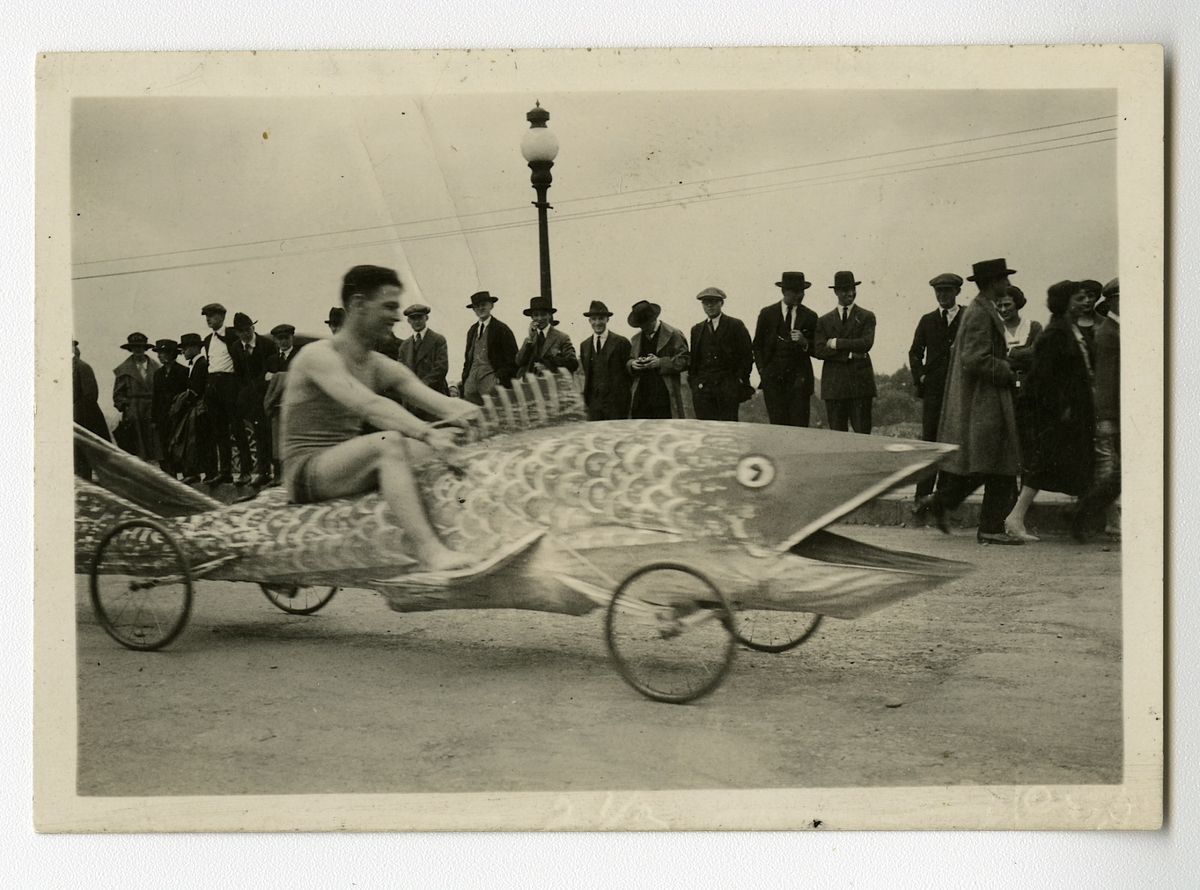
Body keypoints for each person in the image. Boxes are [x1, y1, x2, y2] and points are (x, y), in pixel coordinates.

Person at [280, 265, 481, 572]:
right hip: (306, 472)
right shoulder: (317, 356)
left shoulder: (377, 363)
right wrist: (427, 433)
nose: (396, 316)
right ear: (359, 304)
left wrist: (483, 417)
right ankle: (431, 553)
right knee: (389, 443)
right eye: (388, 307)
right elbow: (368, 405)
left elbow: (442, 403)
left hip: (343, 464)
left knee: (451, 446)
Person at [914, 258, 1023, 545]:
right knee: (998, 463)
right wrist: (1007, 369)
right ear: (993, 282)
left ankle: (940, 503)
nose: (1008, 284)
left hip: (982, 400)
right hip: (984, 401)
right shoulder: (980, 313)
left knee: (985, 463)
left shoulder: (981, 309)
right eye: (1004, 279)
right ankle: (990, 528)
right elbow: (974, 358)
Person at [1003, 280, 1098, 541]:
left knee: (1079, 463)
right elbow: (1043, 378)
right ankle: (1015, 518)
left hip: (1076, 411)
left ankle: (1083, 517)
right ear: (1066, 303)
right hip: (1061, 414)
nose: (1085, 302)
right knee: (1044, 464)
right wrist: (1062, 408)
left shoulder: (1071, 330)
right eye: (1079, 299)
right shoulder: (1055, 334)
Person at [908, 272, 965, 501]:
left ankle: (945, 494)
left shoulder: (967, 317)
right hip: (933, 390)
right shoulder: (927, 320)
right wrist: (921, 376)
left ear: (957, 291)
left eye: (947, 291)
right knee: (929, 440)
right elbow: (915, 352)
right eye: (938, 291)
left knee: (953, 439)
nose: (942, 295)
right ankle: (922, 494)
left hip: (960, 390)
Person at [1072, 277, 1121, 542]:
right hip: (1116, 413)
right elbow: (1106, 380)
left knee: (1120, 472)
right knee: (1119, 471)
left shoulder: (1115, 329)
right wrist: (1106, 418)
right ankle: (1084, 512)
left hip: (1126, 412)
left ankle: (1083, 512)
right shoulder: (1108, 333)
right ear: (1113, 301)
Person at [813, 270, 877, 433]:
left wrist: (836, 343)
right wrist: (848, 354)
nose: (850, 293)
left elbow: (866, 343)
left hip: (860, 387)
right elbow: (819, 350)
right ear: (836, 292)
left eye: (852, 289)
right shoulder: (824, 321)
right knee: (837, 438)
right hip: (835, 387)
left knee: (863, 435)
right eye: (845, 289)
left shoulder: (867, 316)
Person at [752, 271, 818, 427]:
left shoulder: (810, 316)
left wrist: (804, 342)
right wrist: (763, 371)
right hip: (773, 382)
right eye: (794, 291)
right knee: (777, 427)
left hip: (799, 383)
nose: (799, 295)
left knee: (799, 429)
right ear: (783, 291)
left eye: (802, 291)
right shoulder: (767, 314)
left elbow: (818, 349)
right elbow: (757, 345)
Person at [688, 287, 754, 422]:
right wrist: (694, 383)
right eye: (706, 302)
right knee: (704, 426)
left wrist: (738, 380)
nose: (710, 306)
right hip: (703, 389)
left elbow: (747, 355)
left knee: (728, 426)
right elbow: (694, 359)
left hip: (727, 387)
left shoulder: (735, 325)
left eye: (713, 302)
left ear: (721, 303)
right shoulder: (697, 329)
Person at [201, 302, 247, 485]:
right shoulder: (207, 340)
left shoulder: (231, 334)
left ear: (222, 316)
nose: (208, 319)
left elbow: (241, 361)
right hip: (213, 384)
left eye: (211, 316)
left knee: (237, 428)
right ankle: (225, 472)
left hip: (230, 383)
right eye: (206, 316)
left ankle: (245, 471)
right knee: (219, 430)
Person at [229, 312, 277, 486]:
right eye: (241, 331)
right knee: (258, 433)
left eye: (248, 329)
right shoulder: (236, 348)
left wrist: (256, 388)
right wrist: (245, 394)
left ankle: (270, 472)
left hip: (266, 395)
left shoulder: (267, 345)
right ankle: (262, 472)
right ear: (237, 333)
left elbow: (269, 370)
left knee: (268, 433)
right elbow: (239, 373)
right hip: (250, 398)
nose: (246, 334)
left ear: (253, 328)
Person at [626, 300, 689, 419]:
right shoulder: (635, 339)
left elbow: (685, 360)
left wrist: (660, 362)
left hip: (665, 397)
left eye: (646, 325)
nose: (643, 329)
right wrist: (633, 364)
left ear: (653, 319)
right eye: (641, 326)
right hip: (641, 398)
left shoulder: (673, 334)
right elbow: (630, 360)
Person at [461, 291, 518, 406]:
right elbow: (468, 359)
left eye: (483, 305)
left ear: (491, 306)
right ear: (474, 309)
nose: (480, 308)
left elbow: (513, 359)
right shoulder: (472, 330)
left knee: (494, 414)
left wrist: (499, 379)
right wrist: (465, 380)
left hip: (491, 385)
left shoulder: (501, 329)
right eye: (477, 306)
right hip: (471, 387)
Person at [578, 300, 632, 420]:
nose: (597, 323)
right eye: (594, 319)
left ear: (607, 319)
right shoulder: (584, 345)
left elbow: (629, 375)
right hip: (594, 404)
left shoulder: (621, 342)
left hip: (617, 404)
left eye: (601, 318)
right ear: (589, 321)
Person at [263, 323, 304, 483]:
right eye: (279, 339)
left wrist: (276, 377)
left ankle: (295, 475)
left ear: (292, 337)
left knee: (295, 440)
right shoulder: (271, 359)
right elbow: (265, 381)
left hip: (296, 405)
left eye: (286, 338)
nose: (283, 342)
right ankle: (278, 475)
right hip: (277, 406)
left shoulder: (300, 357)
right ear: (275, 340)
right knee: (277, 441)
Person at [112, 332, 160, 461]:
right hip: (134, 413)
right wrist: (127, 407)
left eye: (140, 347)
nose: (138, 350)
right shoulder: (123, 370)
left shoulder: (157, 368)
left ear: (145, 348)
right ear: (130, 349)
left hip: (152, 410)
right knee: (136, 450)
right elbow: (117, 395)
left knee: (155, 447)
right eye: (134, 347)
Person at [397, 304, 450, 421]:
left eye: (420, 317)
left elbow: (441, 368)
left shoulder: (438, 340)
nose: (417, 321)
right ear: (408, 321)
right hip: (412, 402)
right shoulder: (404, 346)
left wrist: (421, 388)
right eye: (413, 318)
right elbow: (400, 372)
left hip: (434, 397)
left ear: (426, 318)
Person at [150, 339, 189, 477]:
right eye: (158, 353)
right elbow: (155, 397)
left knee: (179, 446)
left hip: (178, 416)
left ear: (172, 354)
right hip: (162, 417)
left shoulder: (183, 371)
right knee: (164, 447)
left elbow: (186, 395)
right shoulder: (158, 374)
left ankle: (186, 475)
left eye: (163, 353)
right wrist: (154, 419)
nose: (159, 356)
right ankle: (169, 477)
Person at [73, 340, 111, 480]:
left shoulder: (82, 367)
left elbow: (90, 396)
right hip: (72, 419)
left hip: (82, 420)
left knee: (83, 456)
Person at [515, 296, 580, 377]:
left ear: (550, 315)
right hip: (531, 383)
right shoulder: (529, 339)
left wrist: (548, 365)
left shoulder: (562, 338)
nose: (539, 318)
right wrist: (530, 339)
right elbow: (519, 362)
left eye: (543, 314)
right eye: (536, 315)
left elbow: (573, 363)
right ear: (532, 317)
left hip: (552, 382)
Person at [176, 332, 210, 484]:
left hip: (199, 408)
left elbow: (197, 389)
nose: (183, 351)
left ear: (196, 348)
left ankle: (201, 473)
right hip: (194, 408)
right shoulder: (194, 365)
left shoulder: (201, 364)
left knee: (198, 441)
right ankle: (195, 472)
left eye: (186, 347)